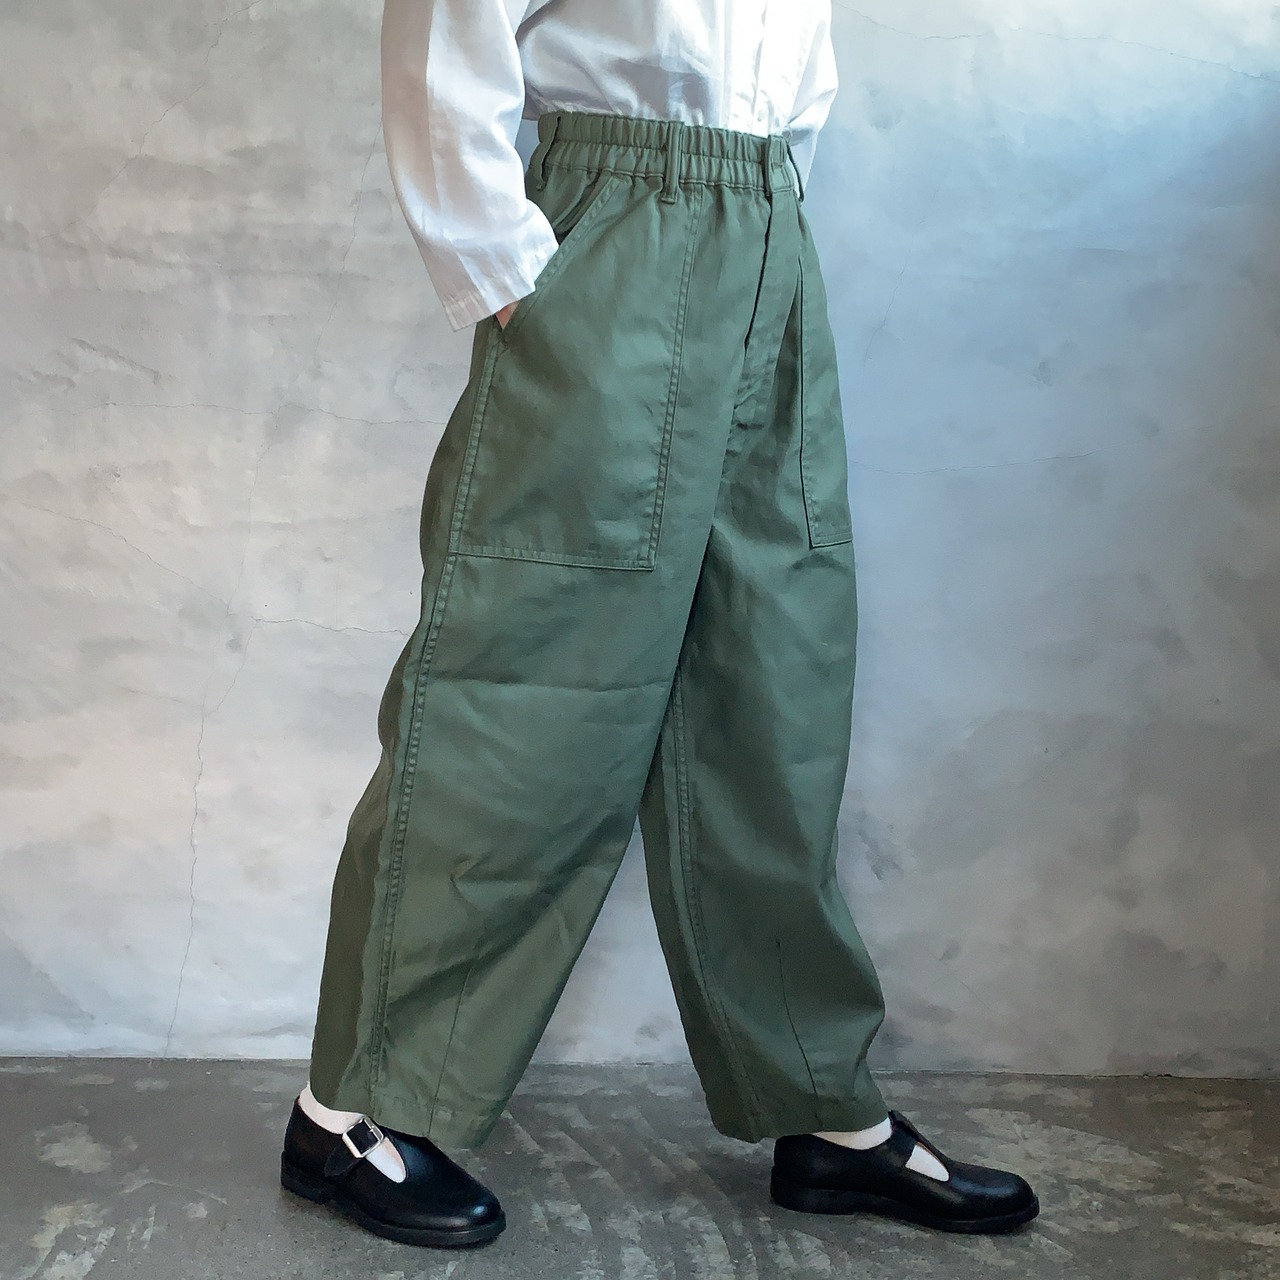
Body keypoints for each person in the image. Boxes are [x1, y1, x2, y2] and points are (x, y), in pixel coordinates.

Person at [278, 0, 1040, 1249]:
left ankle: (817, 1100)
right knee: (523, 682)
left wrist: (764, 213)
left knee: (772, 683)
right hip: (615, 235)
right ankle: (352, 1106)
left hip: (765, 233)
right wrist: (512, 280)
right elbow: (446, 26)